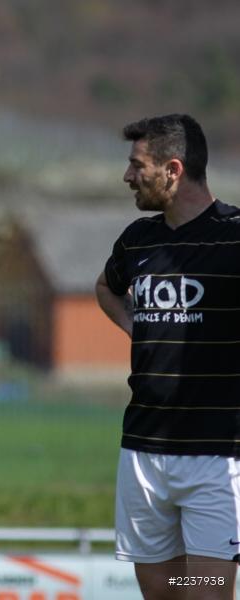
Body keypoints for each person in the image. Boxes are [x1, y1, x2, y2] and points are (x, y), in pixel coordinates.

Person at [96, 114, 240, 600]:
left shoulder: (235, 237)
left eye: (137, 165)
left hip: (218, 453)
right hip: (143, 448)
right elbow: (105, 288)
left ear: (173, 169)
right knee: (162, 592)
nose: (128, 175)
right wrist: (136, 327)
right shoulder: (138, 239)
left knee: (205, 591)